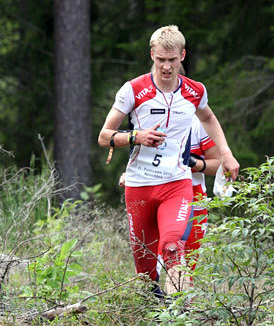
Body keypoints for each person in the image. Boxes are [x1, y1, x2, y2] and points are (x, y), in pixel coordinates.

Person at [98, 25, 239, 296]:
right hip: (139, 185)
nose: (166, 67)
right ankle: (155, 307)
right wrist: (136, 136)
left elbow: (208, 118)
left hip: (176, 183)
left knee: (173, 245)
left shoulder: (195, 91)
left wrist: (226, 153)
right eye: (161, 59)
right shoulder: (133, 90)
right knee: (145, 271)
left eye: (172, 60)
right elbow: (104, 136)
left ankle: (178, 311)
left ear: (182, 56)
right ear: (152, 55)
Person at [118, 115, 221, 279]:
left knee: (184, 264)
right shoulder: (150, 115)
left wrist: (193, 162)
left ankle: (182, 303)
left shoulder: (198, 122)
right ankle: (151, 302)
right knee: (152, 264)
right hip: (155, 196)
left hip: (193, 198)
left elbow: (219, 164)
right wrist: (129, 176)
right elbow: (140, 159)